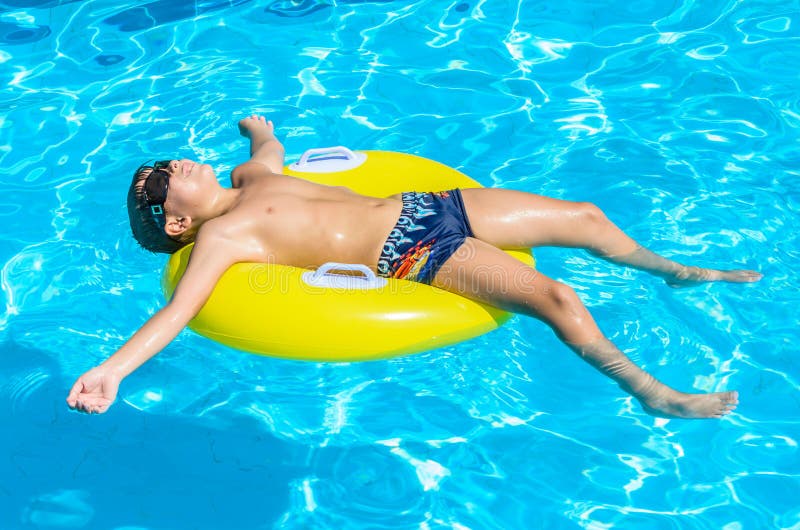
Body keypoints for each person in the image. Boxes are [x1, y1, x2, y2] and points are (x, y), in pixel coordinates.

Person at [66, 115, 763, 418]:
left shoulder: (251, 177)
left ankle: (672, 270)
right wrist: (112, 371)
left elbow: (270, 142)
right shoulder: (223, 239)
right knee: (555, 296)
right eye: (157, 186)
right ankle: (652, 392)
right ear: (177, 223)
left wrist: (255, 128)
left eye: (157, 166)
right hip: (409, 251)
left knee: (581, 216)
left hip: (424, 203)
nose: (166, 169)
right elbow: (176, 312)